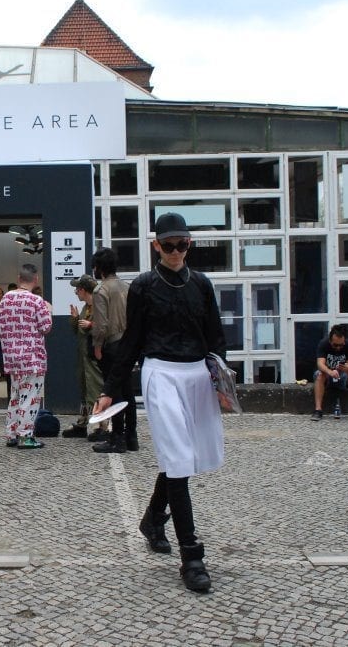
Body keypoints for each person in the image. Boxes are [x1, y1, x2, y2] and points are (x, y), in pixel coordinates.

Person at [92, 213, 230, 593]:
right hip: (161, 373)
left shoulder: (201, 284)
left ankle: (153, 518)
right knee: (179, 459)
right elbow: (132, 341)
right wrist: (109, 389)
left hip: (197, 374)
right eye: (168, 245)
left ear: (189, 244)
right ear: (156, 246)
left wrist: (223, 382)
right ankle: (192, 556)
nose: (175, 251)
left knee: (187, 457)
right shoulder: (143, 286)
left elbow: (216, 337)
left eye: (181, 244)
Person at [0, 264, 53, 449]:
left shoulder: (5, 299)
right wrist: (48, 310)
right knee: (30, 397)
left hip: (12, 357)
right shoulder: (37, 301)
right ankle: (25, 436)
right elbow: (46, 328)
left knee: (15, 395)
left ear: (19, 278)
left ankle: (11, 433)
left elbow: (0, 327)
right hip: (32, 357)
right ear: (36, 279)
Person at [90, 247, 138, 453]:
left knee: (113, 392)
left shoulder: (100, 291)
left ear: (98, 268)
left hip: (112, 344)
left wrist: (97, 346)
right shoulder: (127, 287)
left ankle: (117, 438)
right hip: (128, 343)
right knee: (128, 391)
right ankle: (131, 436)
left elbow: (101, 324)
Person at [62, 275, 103, 438]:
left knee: (96, 390)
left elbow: (107, 327)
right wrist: (75, 320)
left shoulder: (100, 306)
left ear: (84, 290)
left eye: (77, 289)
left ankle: (102, 426)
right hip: (84, 357)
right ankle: (83, 423)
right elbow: (80, 332)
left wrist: (91, 325)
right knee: (85, 390)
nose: (76, 292)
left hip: (94, 356)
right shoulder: (86, 307)